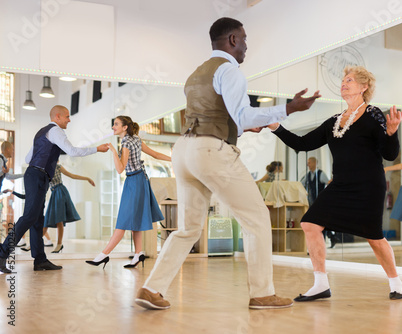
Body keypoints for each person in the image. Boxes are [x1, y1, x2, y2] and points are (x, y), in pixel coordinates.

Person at [134, 17, 320, 311]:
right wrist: (288, 108)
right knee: (257, 218)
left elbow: (220, 117)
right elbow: (242, 115)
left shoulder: (196, 73)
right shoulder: (230, 71)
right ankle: (262, 293)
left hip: (184, 151)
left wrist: (243, 128)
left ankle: (151, 288)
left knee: (187, 229)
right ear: (232, 40)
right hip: (211, 151)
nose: (246, 45)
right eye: (244, 39)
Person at [268, 65, 402, 301]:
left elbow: (389, 154)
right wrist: (277, 128)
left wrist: (392, 133)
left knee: (374, 237)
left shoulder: (373, 115)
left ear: (364, 87)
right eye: (343, 80)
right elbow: (302, 144)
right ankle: (321, 284)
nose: (344, 83)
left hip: (369, 186)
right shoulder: (334, 121)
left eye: (349, 80)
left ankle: (396, 283)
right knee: (310, 223)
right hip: (340, 185)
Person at [0, 105, 108, 274]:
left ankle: (40, 260)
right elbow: (72, 151)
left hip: (36, 176)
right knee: (29, 217)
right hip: (37, 176)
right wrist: (97, 149)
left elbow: (29, 158)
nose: (69, 119)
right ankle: (2, 252)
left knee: (37, 220)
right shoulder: (56, 131)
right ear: (57, 117)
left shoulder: (41, 133)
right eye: (67, 116)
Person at [86, 115, 170, 269]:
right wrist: (174, 159)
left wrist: (112, 150)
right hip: (140, 181)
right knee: (135, 220)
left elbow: (120, 169)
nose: (113, 127)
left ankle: (103, 255)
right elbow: (156, 154)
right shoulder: (136, 139)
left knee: (123, 221)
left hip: (133, 182)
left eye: (116, 124)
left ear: (125, 127)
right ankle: (138, 254)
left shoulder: (125, 142)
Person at [42, 161, 95, 253]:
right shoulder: (44, 169)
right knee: (46, 220)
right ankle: (34, 243)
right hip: (54, 193)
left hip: (60, 192)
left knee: (59, 220)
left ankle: (59, 244)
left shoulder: (57, 166)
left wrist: (87, 178)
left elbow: (71, 175)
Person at [300, 157, 335, 248]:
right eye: (307, 163)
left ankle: (328, 238)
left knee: (321, 222)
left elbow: (328, 183)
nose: (308, 165)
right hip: (312, 202)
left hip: (321, 202)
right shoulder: (307, 175)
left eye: (309, 163)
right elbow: (301, 184)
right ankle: (329, 237)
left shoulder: (321, 174)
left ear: (315, 163)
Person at [0, 141, 26, 247]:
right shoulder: (0, 160)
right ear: (7, 149)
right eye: (12, 149)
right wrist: (3, 171)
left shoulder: (3, 161)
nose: (13, 151)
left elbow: (9, 176)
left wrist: (24, 174)